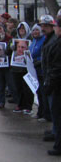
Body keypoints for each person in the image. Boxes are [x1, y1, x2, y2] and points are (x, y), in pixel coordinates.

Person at [40, 15, 59, 145]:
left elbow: (54, 64)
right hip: (49, 77)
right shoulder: (48, 39)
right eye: (42, 26)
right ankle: (55, 131)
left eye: (46, 26)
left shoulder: (54, 41)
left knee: (55, 110)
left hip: (54, 81)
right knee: (53, 110)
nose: (43, 28)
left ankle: (56, 133)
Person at [11, 22, 33, 114]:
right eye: (20, 30)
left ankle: (28, 106)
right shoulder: (15, 40)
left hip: (26, 68)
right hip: (16, 67)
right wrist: (11, 47)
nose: (22, 31)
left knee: (27, 88)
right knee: (18, 87)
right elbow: (9, 50)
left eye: (23, 29)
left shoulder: (30, 40)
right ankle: (20, 104)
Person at [30, 24, 48, 121]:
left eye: (37, 30)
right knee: (38, 93)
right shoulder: (34, 41)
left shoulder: (43, 40)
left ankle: (45, 114)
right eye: (33, 30)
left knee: (43, 93)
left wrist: (39, 61)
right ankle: (40, 112)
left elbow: (45, 54)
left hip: (41, 70)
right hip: (35, 71)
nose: (35, 32)